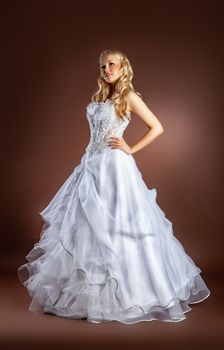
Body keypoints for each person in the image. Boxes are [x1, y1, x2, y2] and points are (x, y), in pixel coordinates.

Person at [18, 48, 210, 324]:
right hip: (91, 165)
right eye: (102, 66)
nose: (106, 69)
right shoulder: (98, 98)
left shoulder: (129, 97)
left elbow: (157, 127)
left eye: (111, 64)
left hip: (115, 169)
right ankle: (89, 297)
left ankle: (133, 292)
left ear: (123, 68)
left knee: (121, 225)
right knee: (87, 225)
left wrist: (131, 148)